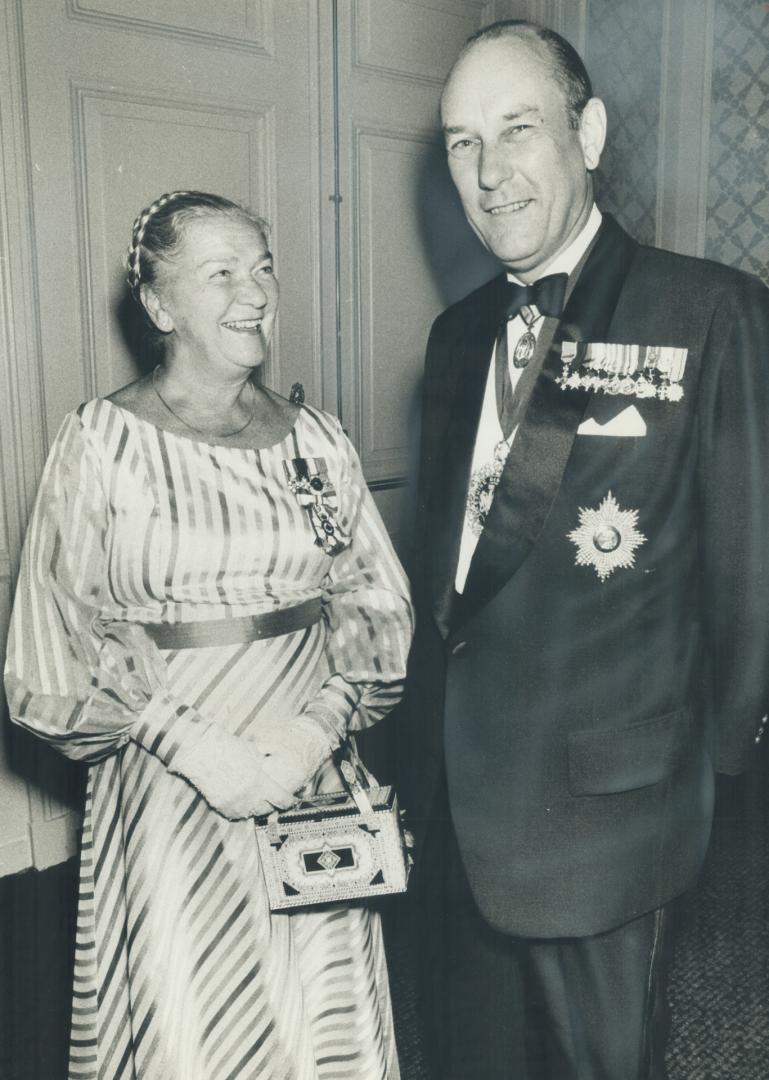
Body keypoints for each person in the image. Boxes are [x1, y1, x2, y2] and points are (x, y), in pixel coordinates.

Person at [406, 19, 769, 1080]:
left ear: (590, 132)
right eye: (461, 142)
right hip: (462, 799)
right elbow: (452, 580)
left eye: (516, 129)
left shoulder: (711, 315)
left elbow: (753, 577)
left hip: (613, 816)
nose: (487, 171)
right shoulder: (454, 337)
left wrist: (706, 785)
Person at [4, 190, 413, 1080]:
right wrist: (193, 747)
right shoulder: (100, 444)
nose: (255, 292)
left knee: (317, 1023)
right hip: (169, 792)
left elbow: (373, 601)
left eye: (261, 266)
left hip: (309, 777)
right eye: (220, 273)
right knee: (193, 1022)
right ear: (159, 307)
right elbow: (53, 641)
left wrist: (315, 730)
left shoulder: (318, 441)